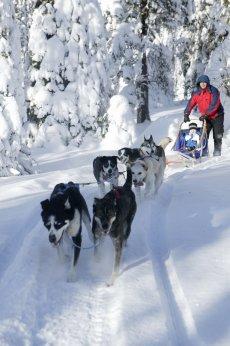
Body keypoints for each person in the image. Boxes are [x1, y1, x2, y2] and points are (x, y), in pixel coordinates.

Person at [184, 75, 224, 156]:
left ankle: (217, 152)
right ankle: (204, 153)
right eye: (201, 82)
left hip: (217, 116)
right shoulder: (197, 93)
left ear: (207, 83)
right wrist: (186, 113)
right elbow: (191, 103)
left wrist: (206, 114)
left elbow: (214, 105)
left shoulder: (213, 91)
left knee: (217, 135)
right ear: (199, 83)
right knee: (204, 136)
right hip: (206, 117)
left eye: (205, 82)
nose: (203, 84)